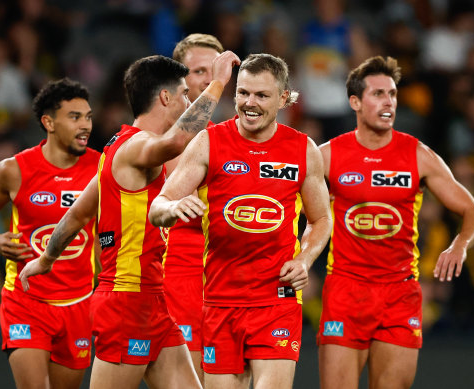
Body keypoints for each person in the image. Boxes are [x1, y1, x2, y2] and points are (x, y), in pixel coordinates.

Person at [19, 52, 240, 389]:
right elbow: (176, 141)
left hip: (152, 300)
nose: (187, 99)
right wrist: (219, 82)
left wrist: (47, 258)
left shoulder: (114, 149)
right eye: (183, 93)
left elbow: (78, 212)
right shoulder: (137, 148)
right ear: (165, 97)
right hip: (125, 302)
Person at [149, 53, 332, 389]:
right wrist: (172, 210)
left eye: (261, 95)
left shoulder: (303, 149)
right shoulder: (208, 142)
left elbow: (320, 219)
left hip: (277, 298)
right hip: (220, 301)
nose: (250, 103)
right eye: (243, 93)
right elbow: (158, 207)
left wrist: (304, 259)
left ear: (283, 98)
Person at [317, 56, 474, 389]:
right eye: (378, 94)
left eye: (392, 94)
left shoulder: (417, 154)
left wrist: (459, 245)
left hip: (399, 294)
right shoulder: (328, 155)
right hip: (345, 290)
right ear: (355, 102)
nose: (388, 102)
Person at [0, 78, 100, 389]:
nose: (86, 125)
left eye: (89, 117)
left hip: (79, 303)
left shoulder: (103, 167)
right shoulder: (13, 169)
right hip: (26, 300)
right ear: (48, 122)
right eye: (75, 117)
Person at [164, 33, 224, 384]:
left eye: (214, 71)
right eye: (199, 71)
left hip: (227, 284)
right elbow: (173, 182)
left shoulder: (228, 137)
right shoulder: (160, 136)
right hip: (178, 280)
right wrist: (217, 84)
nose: (207, 78)